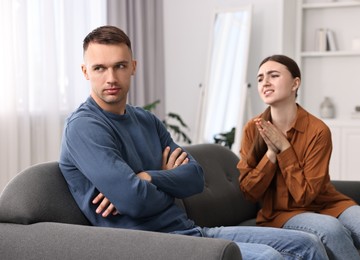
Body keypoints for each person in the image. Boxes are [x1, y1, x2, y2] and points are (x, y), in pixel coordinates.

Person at [59, 26, 329, 260]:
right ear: (85, 72)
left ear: (133, 67)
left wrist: (148, 178)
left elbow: (195, 179)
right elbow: (134, 201)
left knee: (307, 243)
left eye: (119, 66)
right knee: (268, 257)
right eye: (99, 68)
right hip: (153, 245)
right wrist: (164, 176)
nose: (111, 78)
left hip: (192, 232)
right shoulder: (85, 127)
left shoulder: (146, 120)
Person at [237, 54, 360, 260]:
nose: (265, 82)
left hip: (329, 204)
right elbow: (249, 191)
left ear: (295, 83)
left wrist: (285, 147)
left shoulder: (318, 130)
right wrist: (273, 153)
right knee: (332, 230)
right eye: (260, 78)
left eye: (273, 75)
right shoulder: (252, 130)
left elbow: (306, 194)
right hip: (281, 213)